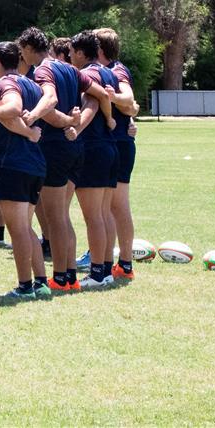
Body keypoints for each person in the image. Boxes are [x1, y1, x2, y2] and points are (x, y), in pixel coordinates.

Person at [17, 27, 110, 291]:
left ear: (27, 48)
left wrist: (35, 115)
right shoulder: (70, 69)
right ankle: (68, 276)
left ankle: (60, 277)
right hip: (75, 148)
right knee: (63, 216)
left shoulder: (43, 70)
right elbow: (101, 95)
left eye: (22, 51)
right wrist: (106, 119)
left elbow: (50, 99)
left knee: (55, 217)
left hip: (55, 148)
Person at [0, 42, 52, 301]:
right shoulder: (31, 83)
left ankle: (25, 286)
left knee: (18, 229)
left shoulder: (7, 83)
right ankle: (41, 282)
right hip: (34, 164)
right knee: (25, 227)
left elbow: (11, 108)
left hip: (14, 163)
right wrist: (29, 131)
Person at [67, 30, 120, 289]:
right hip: (110, 148)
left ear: (79, 53)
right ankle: (106, 269)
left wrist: (78, 128)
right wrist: (111, 120)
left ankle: (97, 272)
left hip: (94, 147)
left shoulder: (87, 74)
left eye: (71, 53)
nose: (69, 57)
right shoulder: (108, 71)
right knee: (104, 213)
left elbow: (96, 102)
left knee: (93, 216)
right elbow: (108, 98)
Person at [95, 28, 141, 282]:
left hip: (120, 143)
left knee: (118, 205)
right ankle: (109, 260)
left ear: (100, 50)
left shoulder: (116, 71)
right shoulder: (106, 70)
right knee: (109, 206)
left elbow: (129, 99)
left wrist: (113, 96)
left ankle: (125, 262)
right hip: (116, 142)